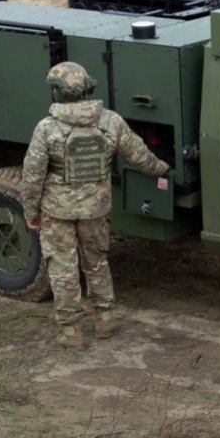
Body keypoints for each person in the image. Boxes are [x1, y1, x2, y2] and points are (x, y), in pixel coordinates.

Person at [22, 61, 170, 349]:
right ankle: (104, 319)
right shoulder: (110, 121)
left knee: (63, 269)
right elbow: (138, 155)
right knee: (97, 263)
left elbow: (32, 174)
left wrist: (30, 211)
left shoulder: (47, 129)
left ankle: (71, 332)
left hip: (57, 212)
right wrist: (162, 169)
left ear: (57, 93)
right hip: (96, 210)